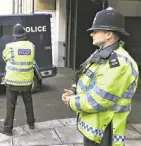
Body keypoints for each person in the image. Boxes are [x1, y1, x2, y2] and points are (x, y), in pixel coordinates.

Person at [61, 7, 139, 146]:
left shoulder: (119, 63)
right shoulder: (102, 53)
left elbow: (99, 100)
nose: (91, 34)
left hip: (105, 132)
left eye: (95, 30)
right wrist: (73, 90)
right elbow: (87, 78)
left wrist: (71, 101)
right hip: (94, 129)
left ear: (108, 35)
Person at [0, 23, 35, 136]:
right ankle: (31, 123)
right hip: (27, 81)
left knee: (10, 105)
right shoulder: (31, 46)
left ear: (15, 36)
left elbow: (5, 58)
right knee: (28, 102)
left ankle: (7, 128)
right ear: (24, 34)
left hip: (12, 82)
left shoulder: (10, 47)